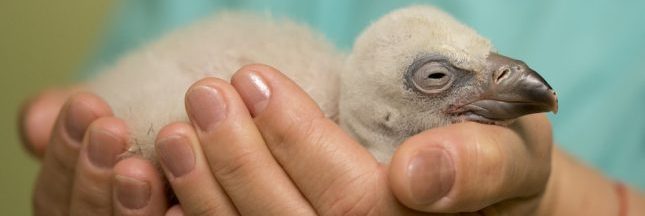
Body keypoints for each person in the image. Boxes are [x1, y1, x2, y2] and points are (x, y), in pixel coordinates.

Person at [20, 0, 645, 215]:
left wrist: (582, 207)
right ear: (387, 107)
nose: (510, 82)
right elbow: (121, 111)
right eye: (435, 79)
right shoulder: (306, 90)